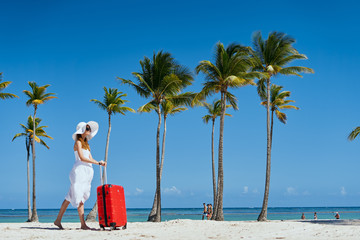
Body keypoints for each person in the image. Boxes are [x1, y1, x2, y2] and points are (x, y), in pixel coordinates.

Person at [54, 121, 106, 230]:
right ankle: (83, 224)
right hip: (79, 171)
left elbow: (90, 159)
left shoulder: (87, 145)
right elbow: (82, 158)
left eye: (89, 128)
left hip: (87, 172)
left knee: (69, 196)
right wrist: (98, 163)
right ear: (82, 130)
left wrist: (99, 162)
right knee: (79, 196)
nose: (89, 130)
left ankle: (58, 220)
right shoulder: (78, 142)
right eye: (87, 128)